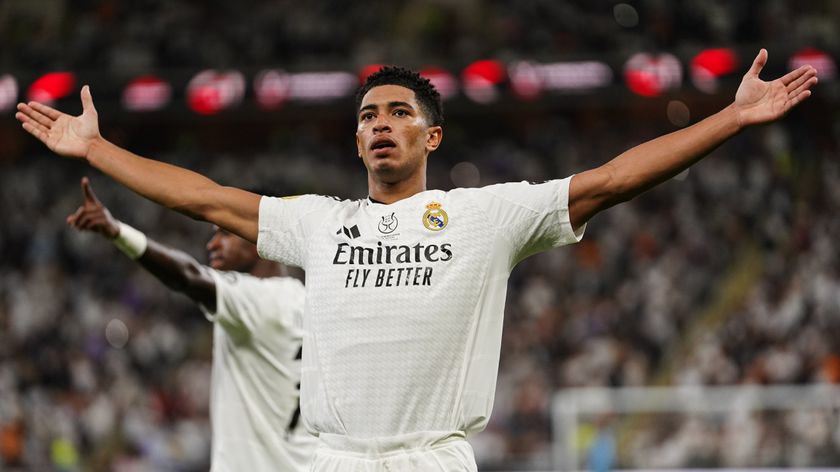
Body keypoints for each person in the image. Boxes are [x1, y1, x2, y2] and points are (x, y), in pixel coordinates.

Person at [17, 49, 817, 471]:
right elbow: (202, 198)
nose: (381, 124)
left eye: (400, 113)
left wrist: (730, 120)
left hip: (429, 463)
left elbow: (611, 179)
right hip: (327, 464)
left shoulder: (485, 215)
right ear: (356, 137)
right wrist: (97, 147)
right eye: (369, 115)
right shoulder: (318, 226)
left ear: (432, 136)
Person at [65, 177, 316, 471]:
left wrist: (118, 232)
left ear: (257, 234)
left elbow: (188, 276)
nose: (213, 244)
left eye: (225, 233)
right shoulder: (308, 301)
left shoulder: (258, 299)